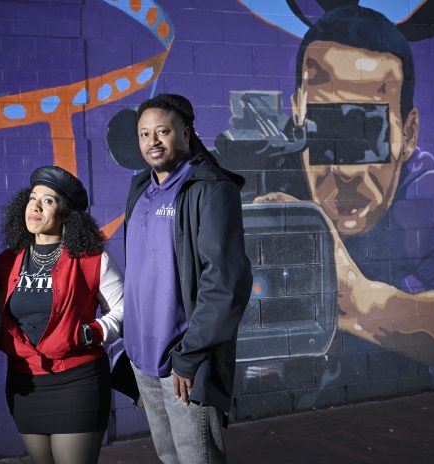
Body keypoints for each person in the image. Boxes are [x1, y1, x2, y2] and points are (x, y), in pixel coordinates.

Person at [255, 4, 434, 369]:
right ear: (298, 115)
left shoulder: (427, 195)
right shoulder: (272, 174)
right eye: (324, 129)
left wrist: (355, 301)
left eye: (370, 130)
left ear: (409, 134)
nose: (345, 171)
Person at [123, 93, 253, 463]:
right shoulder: (140, 189)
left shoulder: (211, 189)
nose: (152, 141)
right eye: (144, 134)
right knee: (168, 457)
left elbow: (227, 283)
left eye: (162, 131)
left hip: (183, 362)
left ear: (185, 132)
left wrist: (190, 355)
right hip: (142, 359)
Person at [0, 165, 124, 464]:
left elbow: (123, 309)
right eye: (32, 198)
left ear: (66, 214)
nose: (35, 206)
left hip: (78, 382)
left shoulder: (93, 259)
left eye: (48, 201)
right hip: (24, 383)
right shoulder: (6, 261)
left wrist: (89, 333)